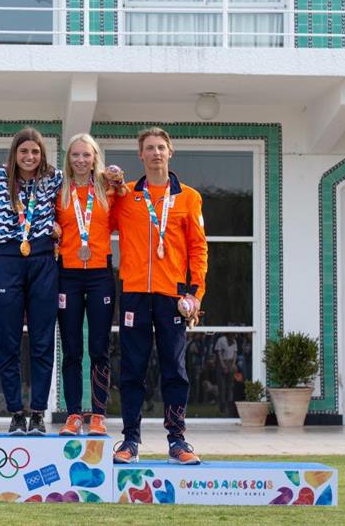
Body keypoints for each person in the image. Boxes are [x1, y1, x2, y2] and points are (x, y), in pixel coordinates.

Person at [105, 127, 208, 465]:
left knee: (174, 370)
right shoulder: (127, 196)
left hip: (173, 295)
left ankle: (177, 440)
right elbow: (101, 226)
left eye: (161, 147)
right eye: (149, 148)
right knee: (132, 370)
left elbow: (198, 248)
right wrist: (108, 186)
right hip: (134, 293)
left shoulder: (189, 197)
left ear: (170, 152)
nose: (155, 153)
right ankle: (130, 440)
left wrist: (195, 293)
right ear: (141, 155)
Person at [0, 127, 62, 435]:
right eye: (24, 151)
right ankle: (16, 412)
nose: (30, 157)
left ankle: (39, 412)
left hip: (43, 260)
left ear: (42, 155)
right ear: (14, 153)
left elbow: (80, 197)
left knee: (43, 342)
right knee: (9, 341)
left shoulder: (54, 179)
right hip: (7, 260)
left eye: (35, 152)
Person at [55, 133, 116, 436]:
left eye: (86, 155)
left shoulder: (107, 190)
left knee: (99, 347)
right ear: (69, 159)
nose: (81, 160)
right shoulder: (59, 190)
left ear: (95, 158)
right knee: (71, 348)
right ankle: (73, 414)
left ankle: (99, 414)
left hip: (100, 275)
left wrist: (117, 177)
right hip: (67, 274)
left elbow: (129, 204)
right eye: (75, 155)